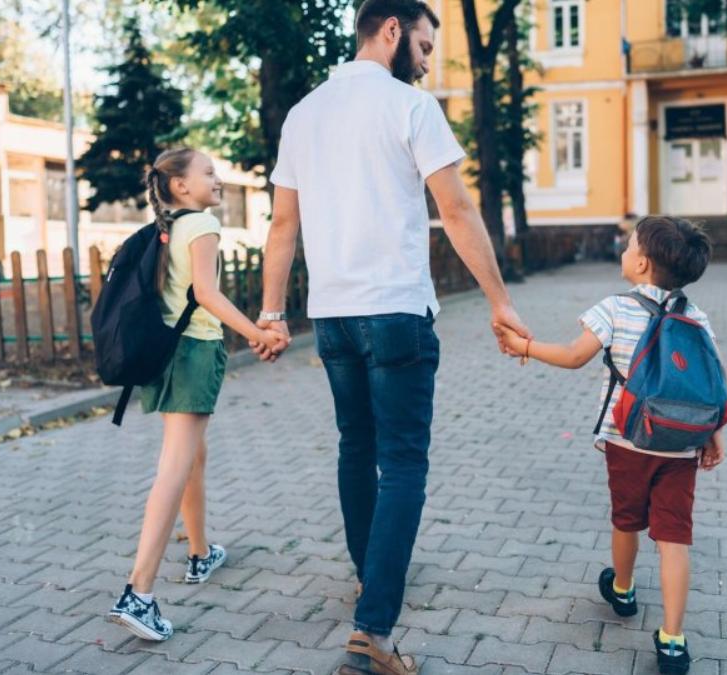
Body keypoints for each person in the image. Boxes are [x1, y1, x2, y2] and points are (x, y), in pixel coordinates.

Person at [253, 1, 530, 673]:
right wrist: (500, 302)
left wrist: (270, 312)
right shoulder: (410, 107)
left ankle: (369, 576)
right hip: (397, 312)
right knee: (403, 460)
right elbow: (457, 210)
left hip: (334, 316)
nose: (428, 59)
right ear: (390, 31)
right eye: (426, 44)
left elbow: (282, 225)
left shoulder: (303, 114)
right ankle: (372, 631)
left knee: (357, 443)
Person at [495, 216, 725, 675]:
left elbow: (574, 356)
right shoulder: (694, 315)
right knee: (674, 539)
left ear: (640, 263)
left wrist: (525, 347)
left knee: (626, 520)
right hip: (681, 446)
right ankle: (674, 640)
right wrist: (713, 431)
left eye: (627, 245)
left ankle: (621, 589)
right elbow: (712, 379)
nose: (623, 251)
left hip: (627, 440)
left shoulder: (615, 309)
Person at [107, 147, 290, 641]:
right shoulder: (203, 227)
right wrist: (256, 331)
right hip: (194, 352)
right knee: (175, 464)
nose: (218, 178)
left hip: (166, 354)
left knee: (193, 456)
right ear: (180, 186)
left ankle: (199, 551)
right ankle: (138, 591)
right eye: (207, 172)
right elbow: (207, 295)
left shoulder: (170, 228)